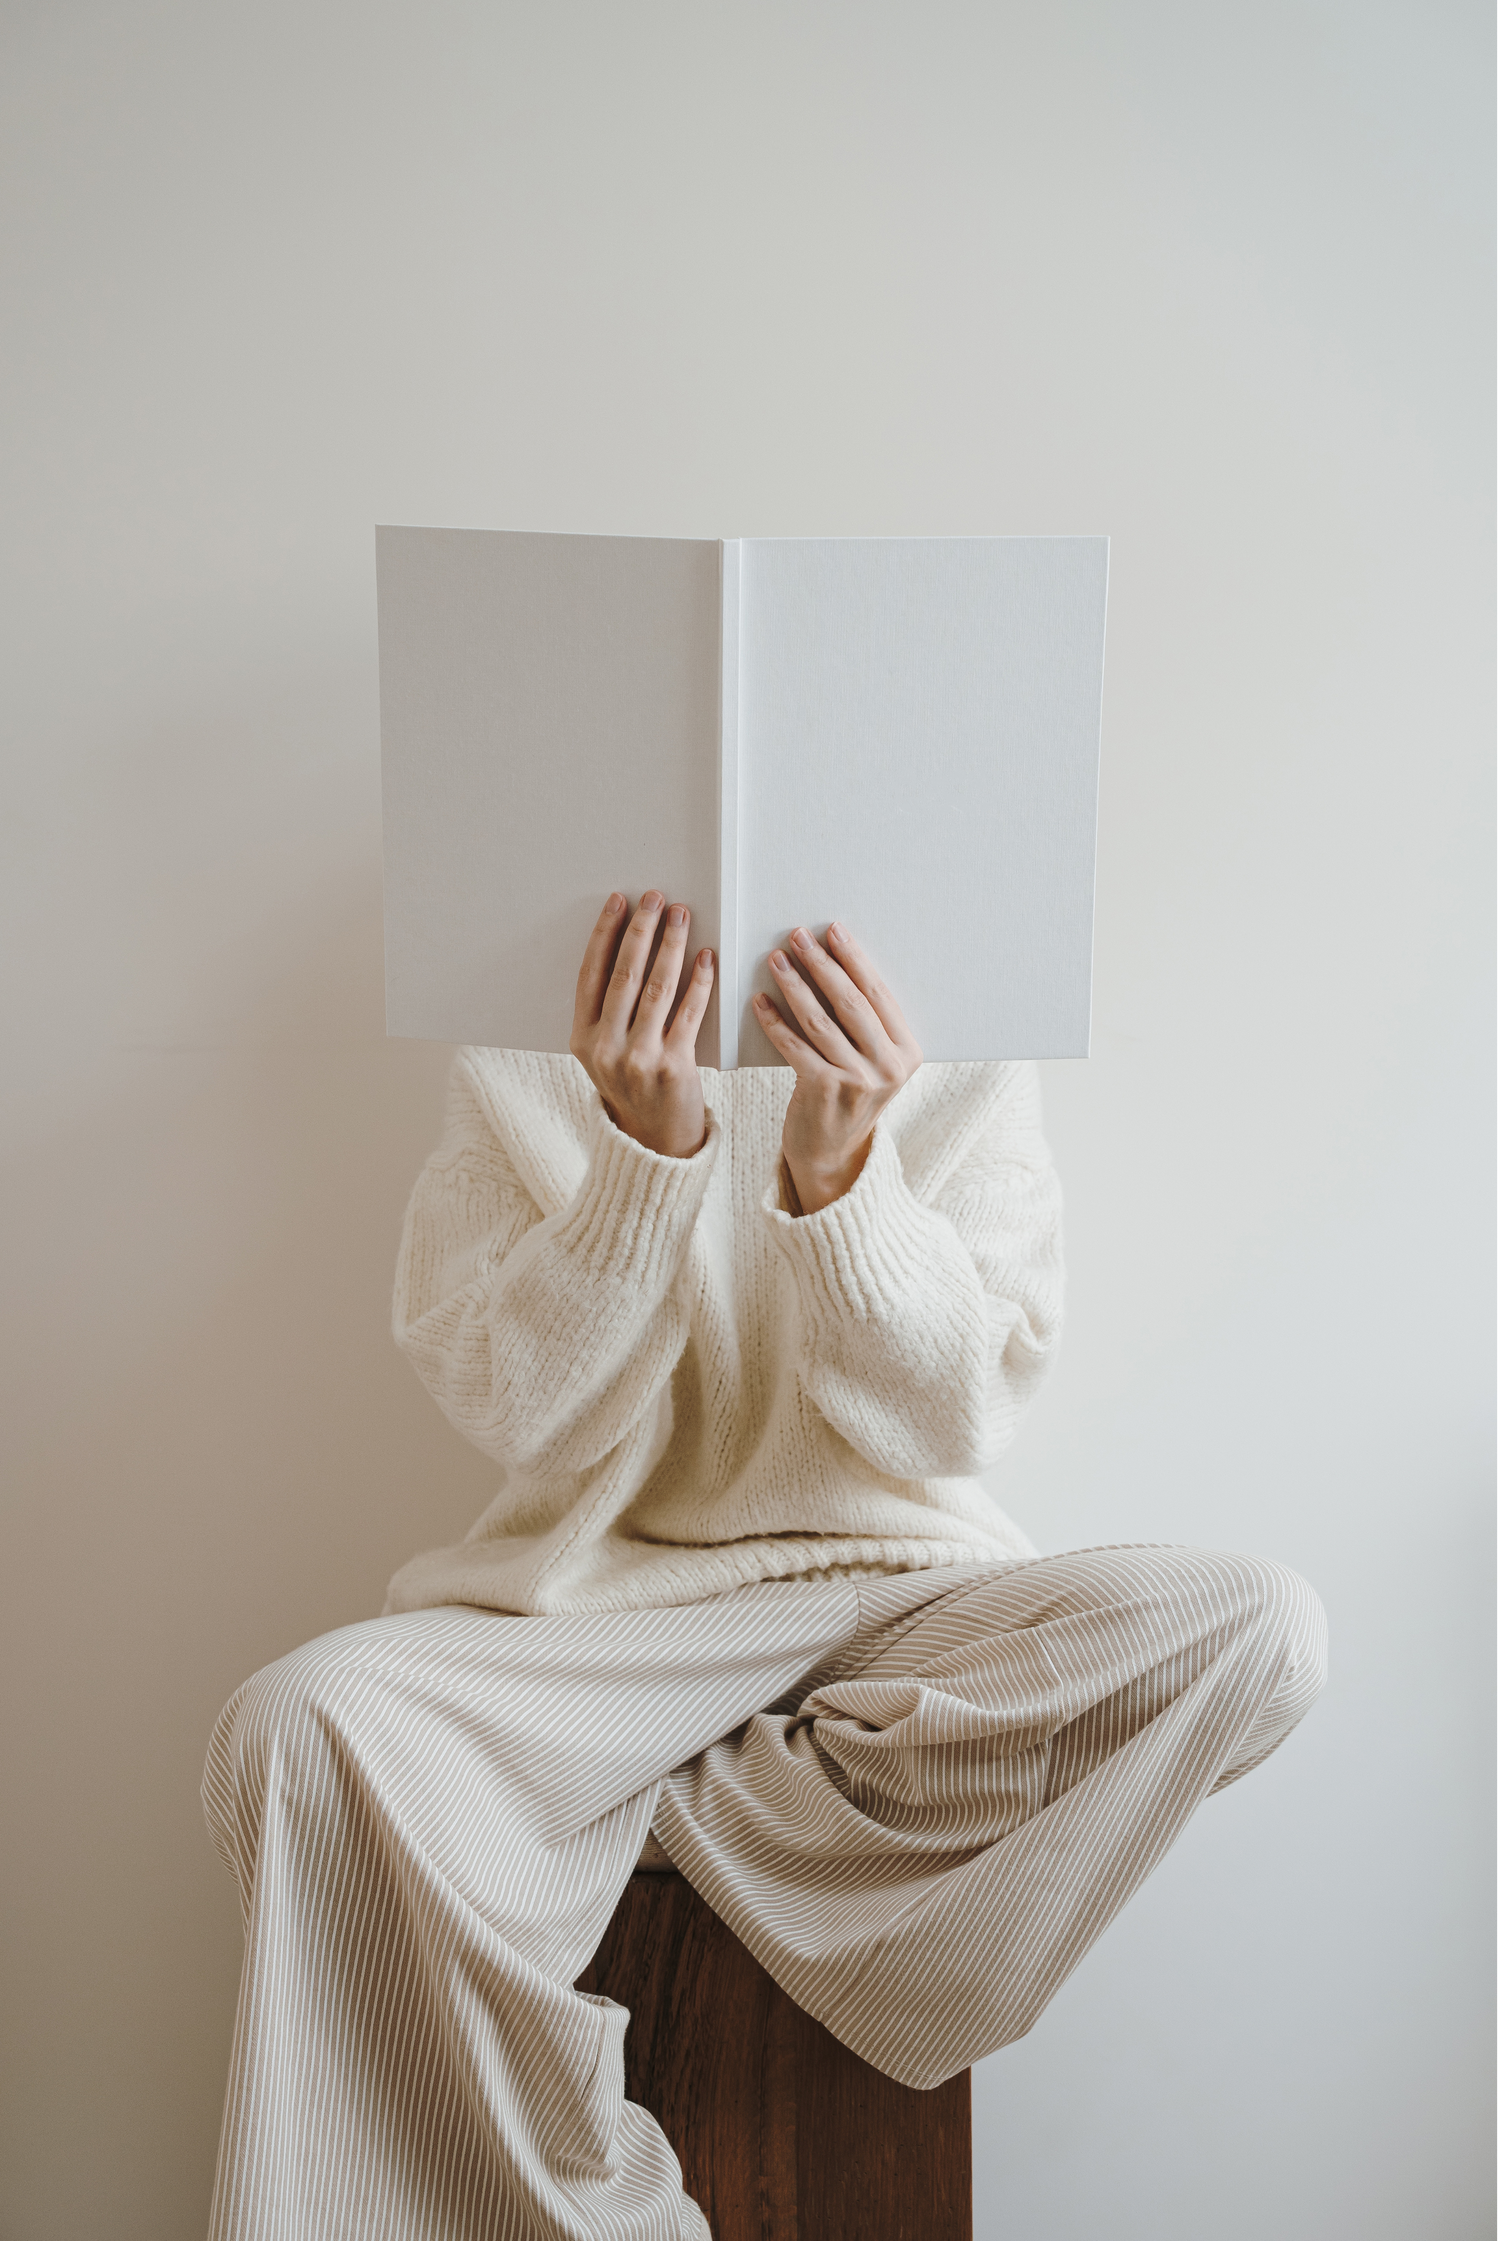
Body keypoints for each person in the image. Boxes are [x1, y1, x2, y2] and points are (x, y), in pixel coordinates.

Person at [203, 891, 1326, 2241]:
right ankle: (598, 2197)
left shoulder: (961, 1023)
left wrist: (841, 1175)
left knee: (1255, 1627)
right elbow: (516, 1408)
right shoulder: (511, 1044)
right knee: (296, 1722)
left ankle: (667, 1802)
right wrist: (643, 1157)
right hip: (596, 1629)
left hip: (891, 1607)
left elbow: (958, 1414)